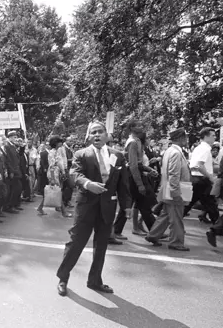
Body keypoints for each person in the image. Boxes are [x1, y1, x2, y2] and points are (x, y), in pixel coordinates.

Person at [56, 121, 131, 296]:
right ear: (89, 137)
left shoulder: (118, 156)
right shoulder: (82, 154)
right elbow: (74, 174)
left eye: (100, 132)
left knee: (101, 246)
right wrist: (88, 184)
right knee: (76, 243)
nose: (96, 135)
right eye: (93, 132)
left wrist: (127, 207)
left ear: (107, 135)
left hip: (107, 207)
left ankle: (95, 280)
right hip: (86, 206)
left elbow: (123, 184)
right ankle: (63, 278)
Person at [145, 128, 191, 250]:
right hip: (175, 189)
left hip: (169, 188)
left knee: (165, 215)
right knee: (176, 217)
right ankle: (176, 242)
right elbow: (174, 174)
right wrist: (175, 192)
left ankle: (153, 235)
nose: (186, 140)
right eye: (185, 138)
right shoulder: (175, 153)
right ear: (181, 139)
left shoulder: (170, 151)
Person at [113, 122, 157, 237]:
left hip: (134, 176)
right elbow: (133, 165)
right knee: (136, 204)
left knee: (140, 205)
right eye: (139, 126)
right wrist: (139, 184)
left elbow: (138, 163)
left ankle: (155, 232)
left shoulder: (136, 141)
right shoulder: (132, 143)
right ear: (132, 128)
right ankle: (155, 232)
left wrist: (148, 169)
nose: (142, 128)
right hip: (133, 177)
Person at [184, 128, 220, 223]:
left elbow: (194, 165)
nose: (215, 137)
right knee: (210, 204)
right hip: (202, 180)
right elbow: (199, 165)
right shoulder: (205, 149)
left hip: (197, 179)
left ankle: (218, 226)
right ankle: (218, 227)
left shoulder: (199, 148)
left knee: (192, 203)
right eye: (213, 135)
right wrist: (210, 177)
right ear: (206, 136)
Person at [37, 136, 70, 217]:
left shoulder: (56, 151)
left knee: (53, 191)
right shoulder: (52, 152)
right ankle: (64, 211)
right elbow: (52, 166)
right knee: (57, 191)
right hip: (53, 173)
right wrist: (52, 177)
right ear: (56, 143)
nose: (61, 143)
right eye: (59, 142)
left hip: (56, 172)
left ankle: (40, 207)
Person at [3, 131, 23, 213]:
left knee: (17, 188)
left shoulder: (13, 146)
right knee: (13, 189)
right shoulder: (7, 146)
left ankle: (13, 204)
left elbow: (18, 157)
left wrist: (21, 147)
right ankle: (9, 206)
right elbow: (8, 160)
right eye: (14, 137)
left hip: (16, 170)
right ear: (10, 137)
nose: (16, 139)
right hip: (12, 171)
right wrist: (11, 171)